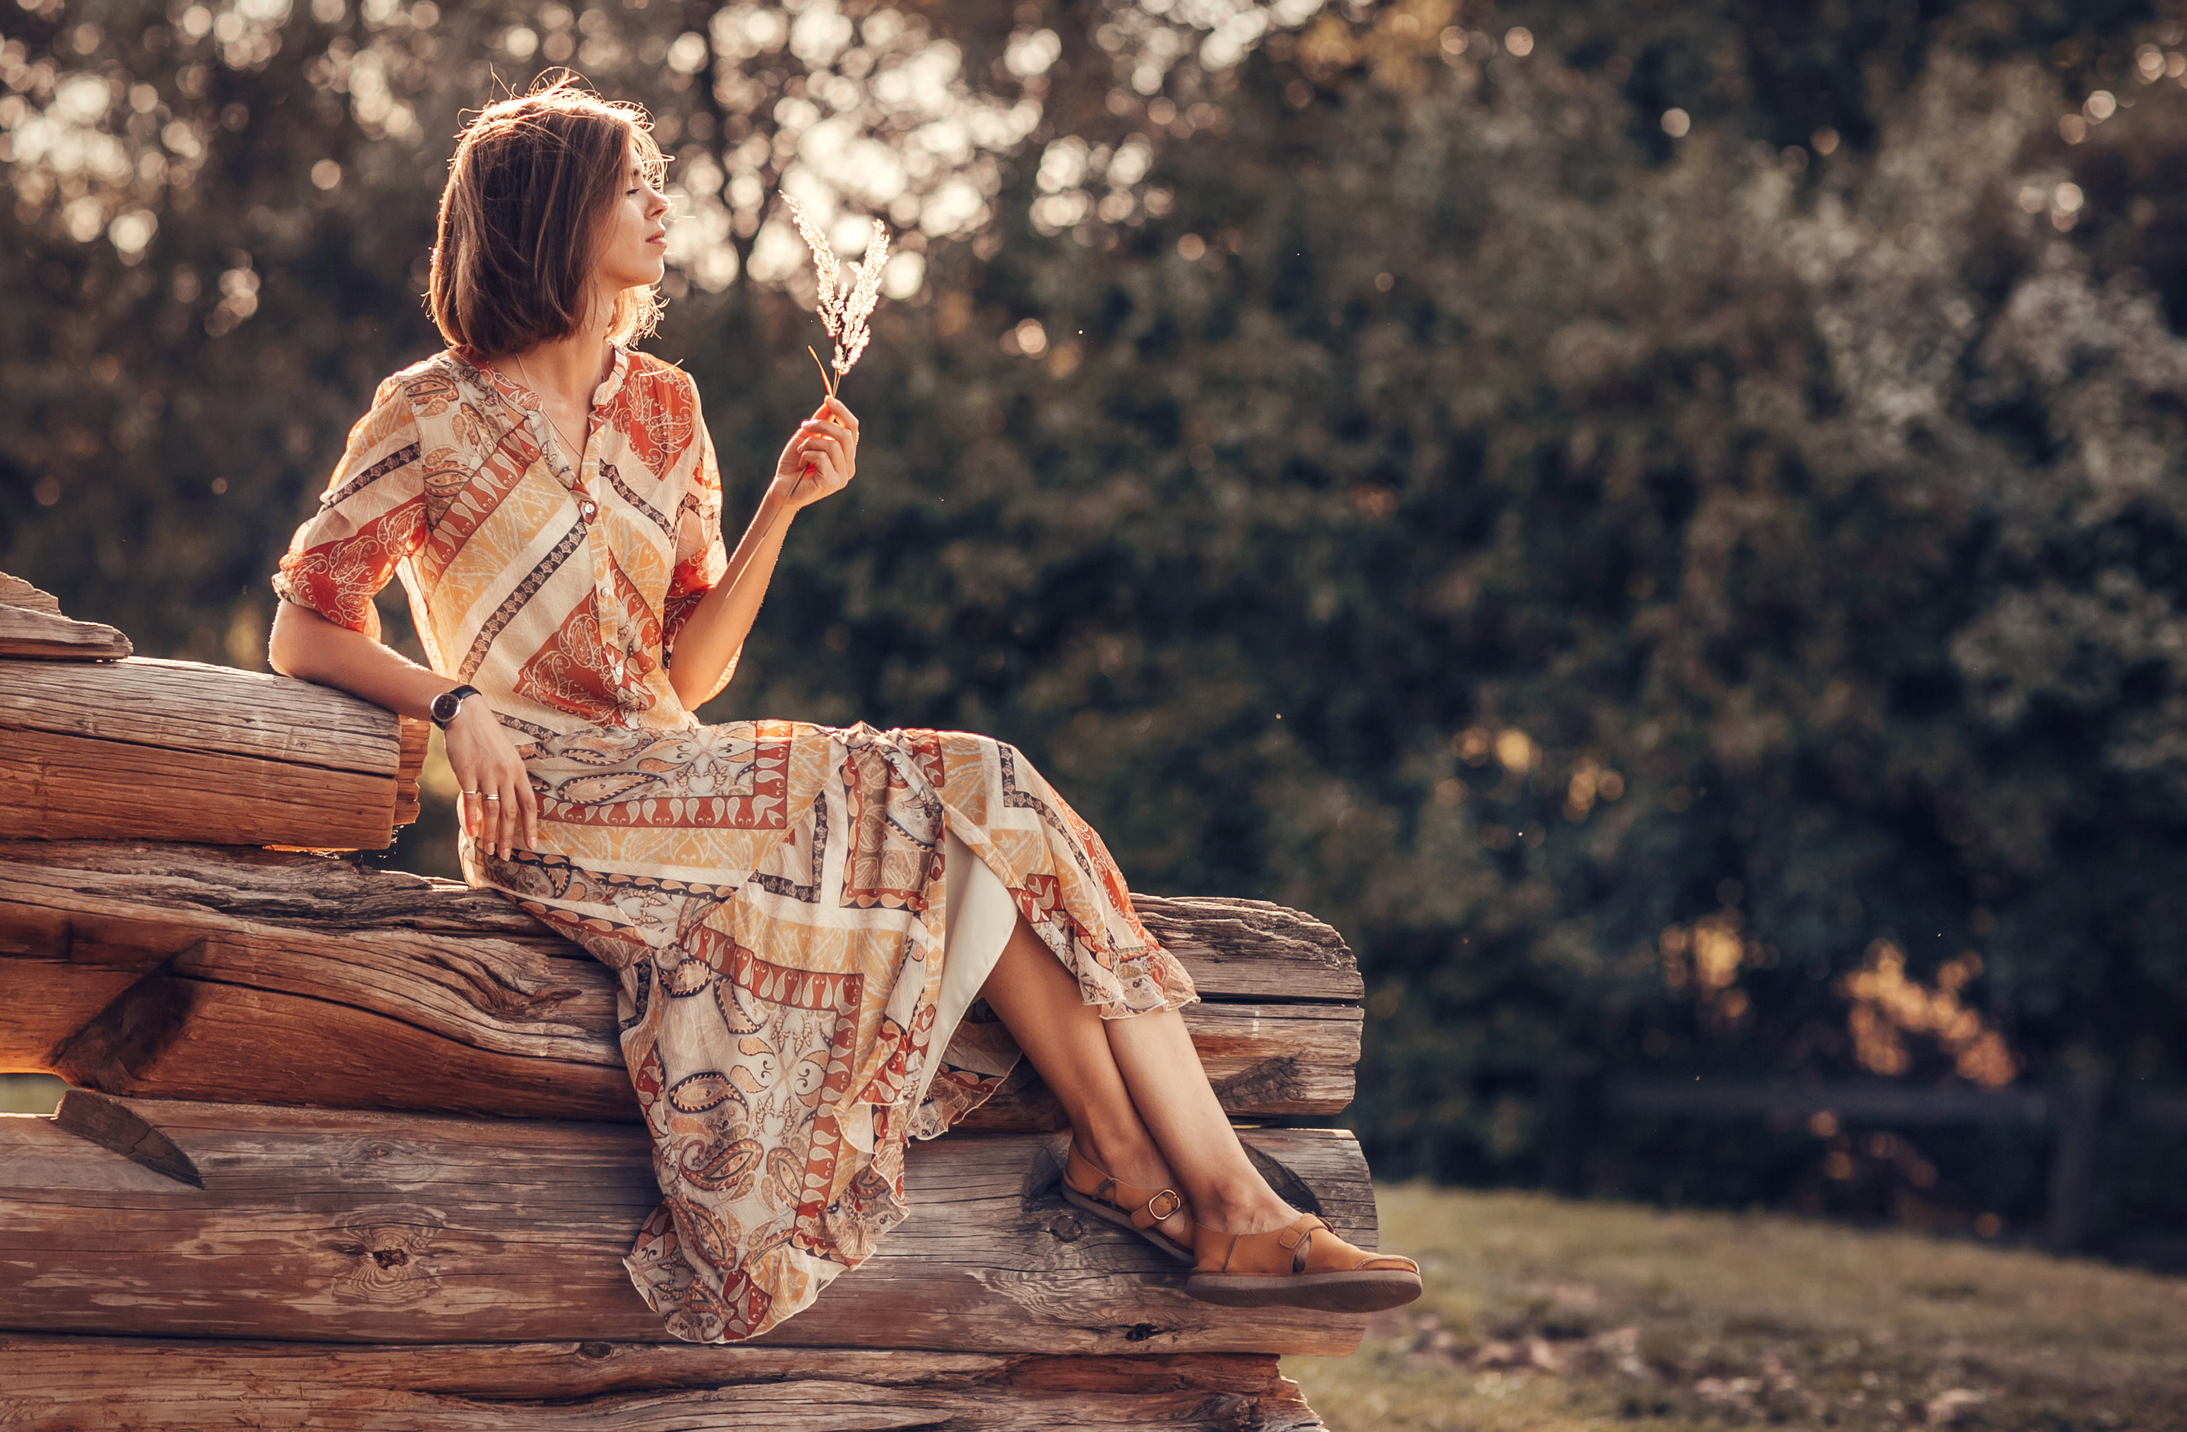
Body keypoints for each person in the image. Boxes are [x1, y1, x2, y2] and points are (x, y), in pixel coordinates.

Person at [268, 74, 1421, 1344]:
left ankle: (1191, 1185)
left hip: (675, 774)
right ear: (550, 211)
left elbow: (691, 677)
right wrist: (451, 706)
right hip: (553, 807)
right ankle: (1189, 1186)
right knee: (963, 786)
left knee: (982, 797)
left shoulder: (668, 410)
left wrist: (779, 506)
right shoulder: (425, 411)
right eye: (630, 182)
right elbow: (304, 622)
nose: (661, 201)